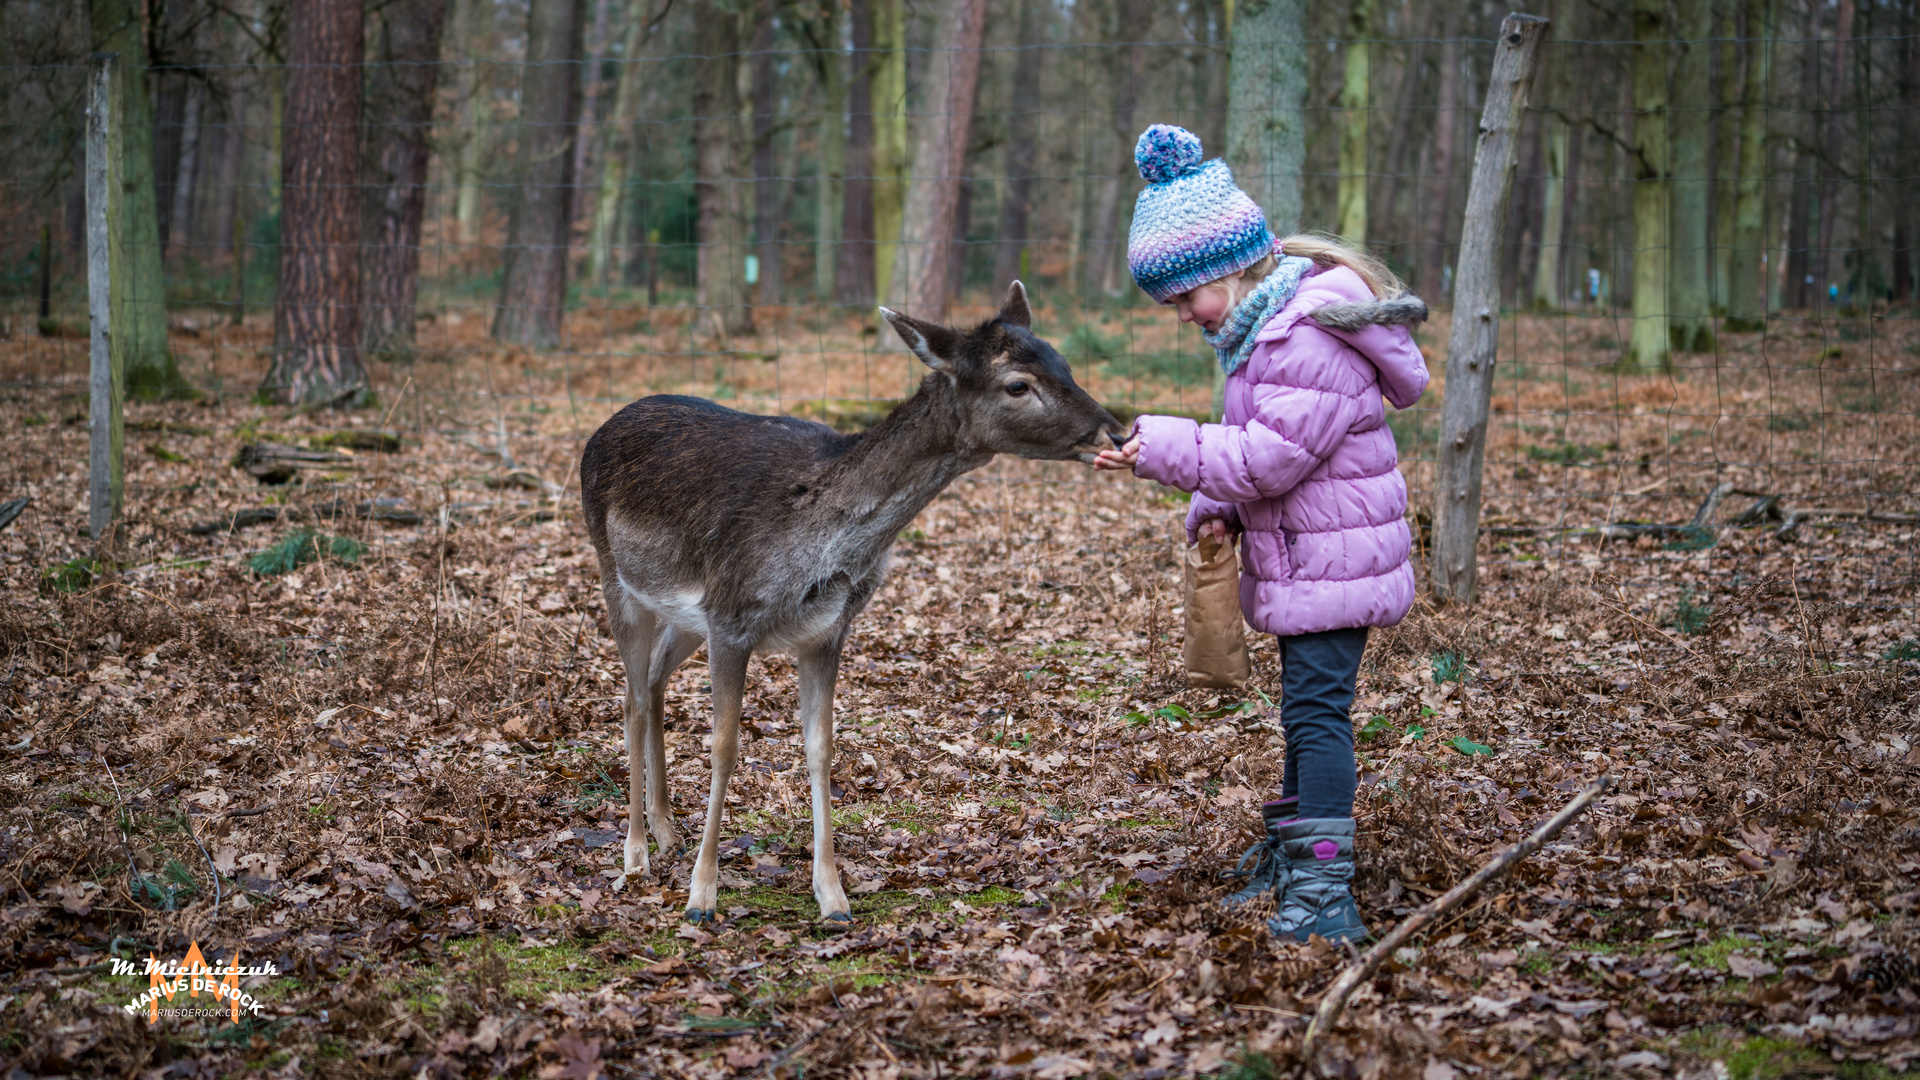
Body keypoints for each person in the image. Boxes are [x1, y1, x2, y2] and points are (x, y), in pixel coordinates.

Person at [1094, 124, 1430, 944]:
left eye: (1185, 298)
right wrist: (1220, 503)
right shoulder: (1263, 333)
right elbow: (1276, 464)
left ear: (1229, 270)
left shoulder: (1304, 333)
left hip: (1334, 563)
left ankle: (1325, 894)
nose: (1182, 317)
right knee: (1304, 712)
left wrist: (1172, 450)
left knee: (1317, 716)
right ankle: (1297, 864)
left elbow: (1273, 458)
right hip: (1313, 556)